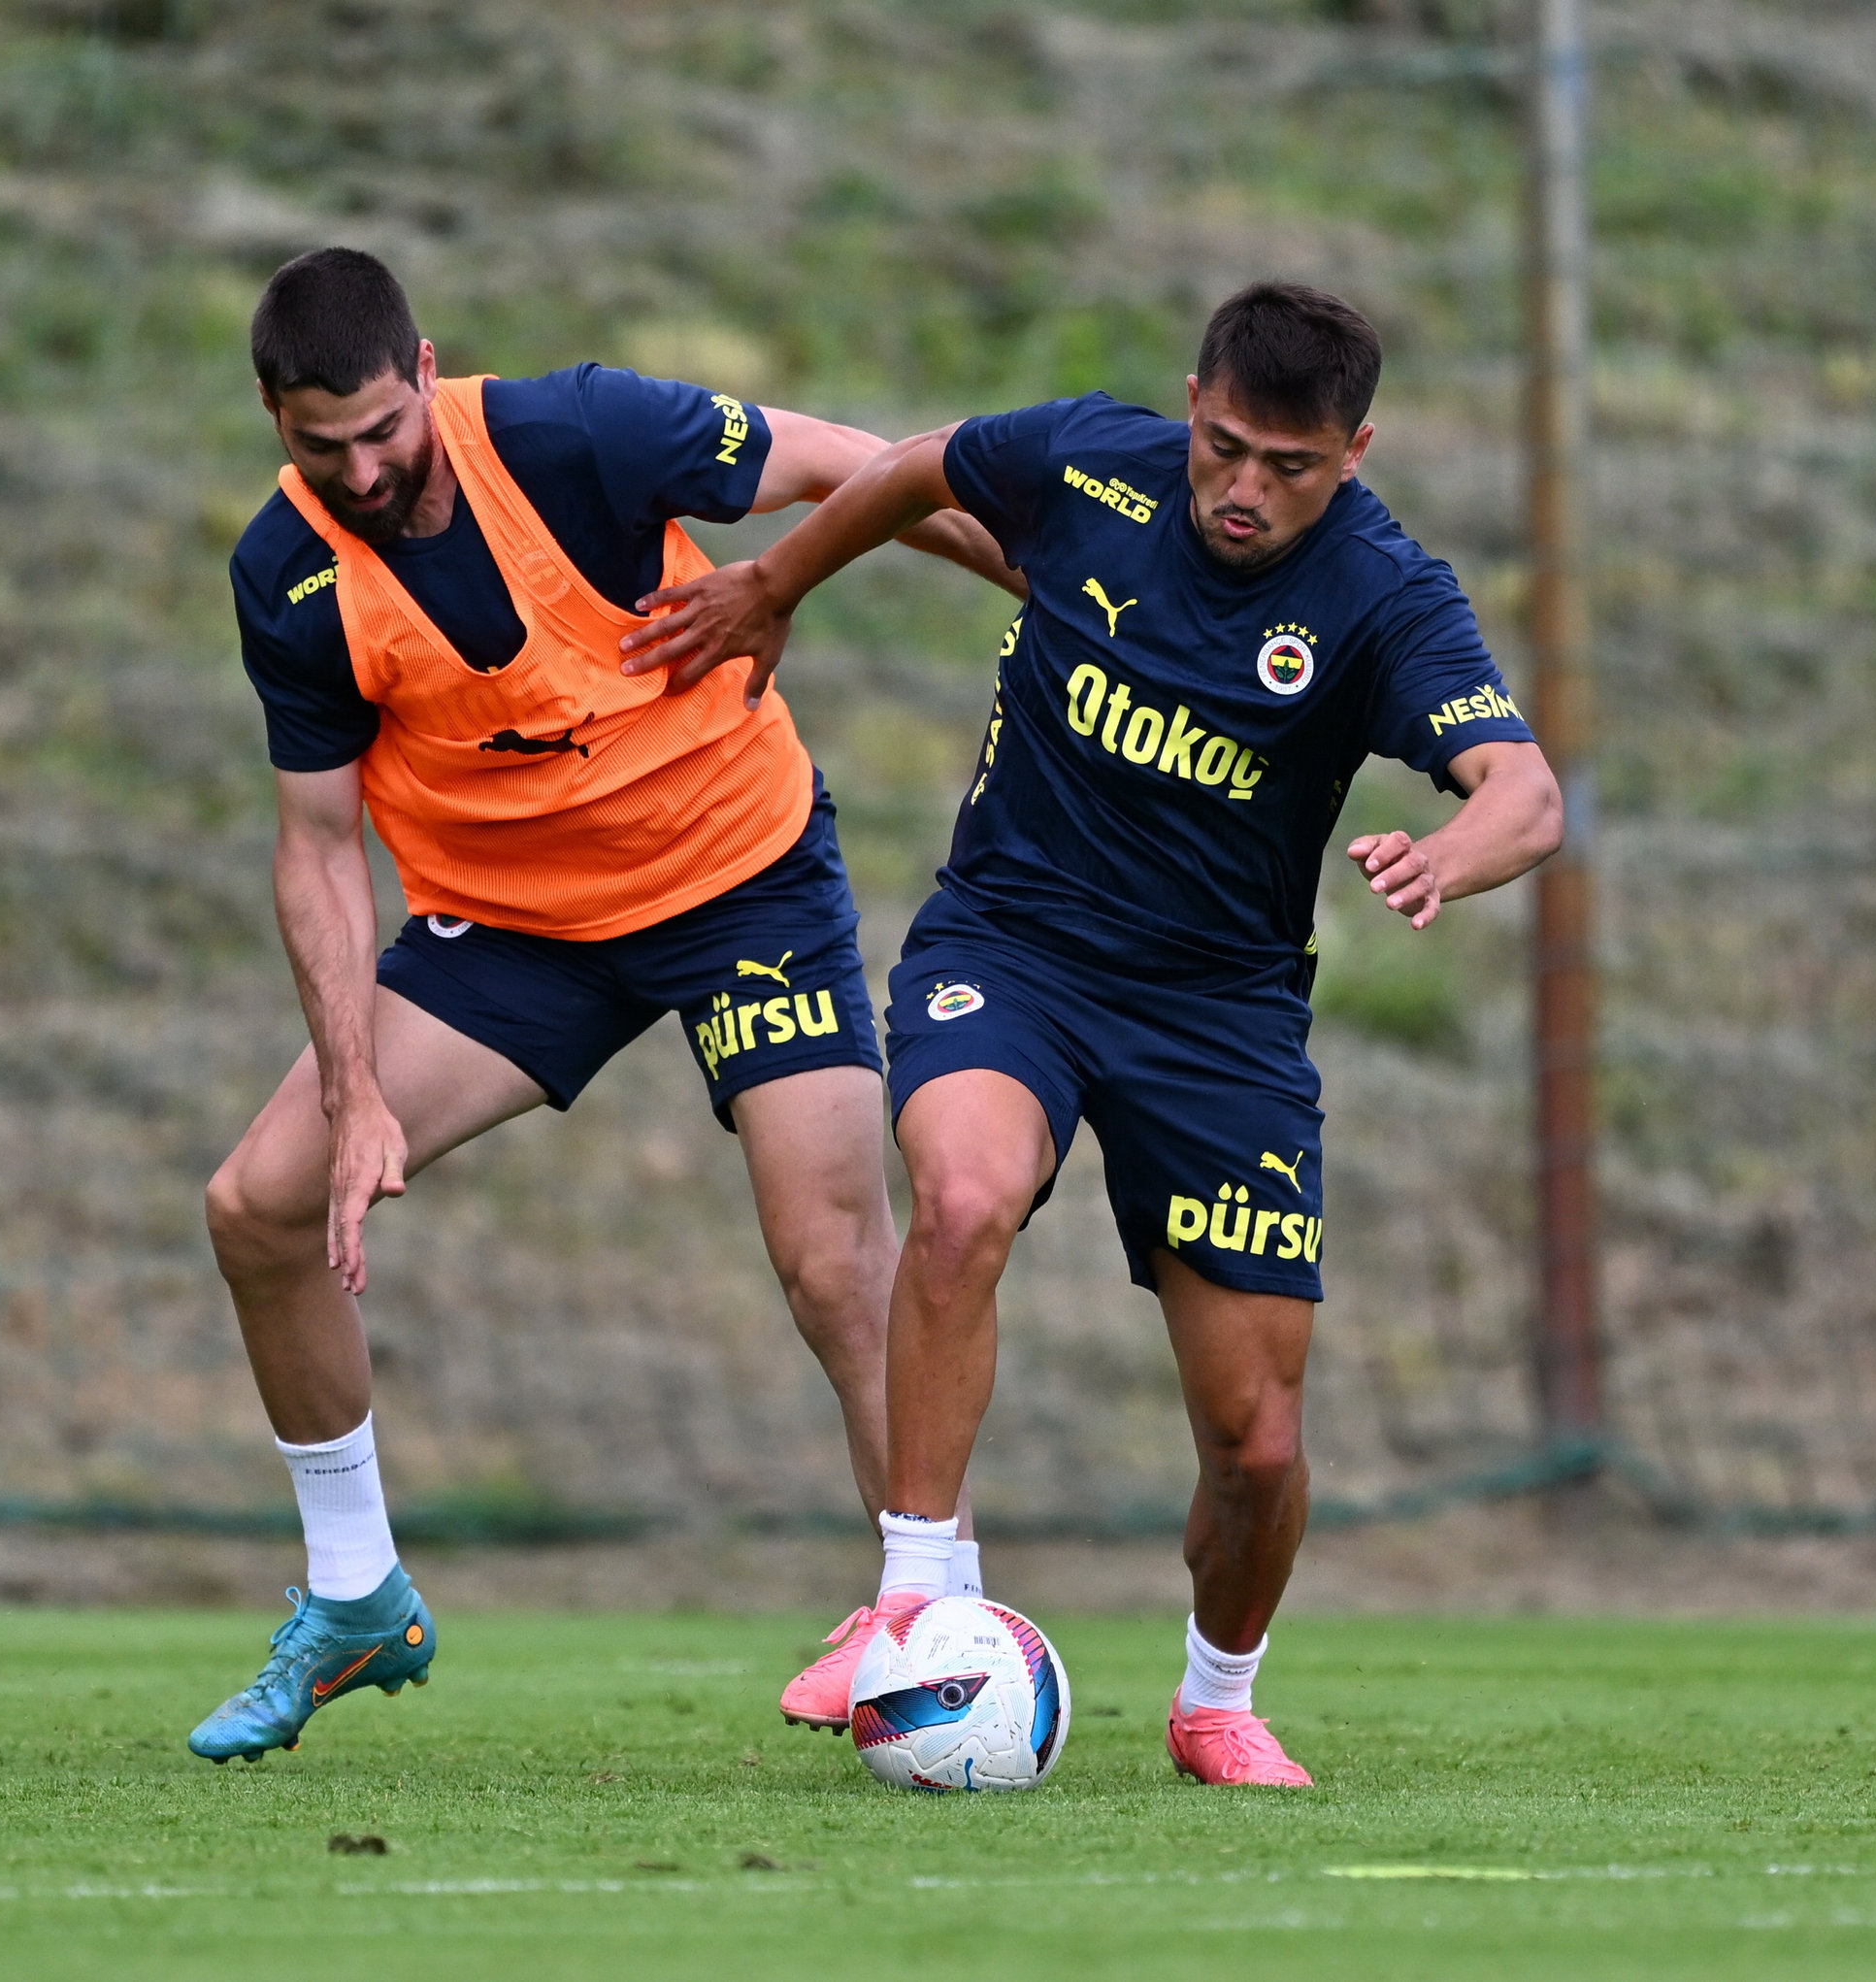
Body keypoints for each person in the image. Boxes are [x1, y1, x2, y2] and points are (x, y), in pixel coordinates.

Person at [620, 281, 1563, 1781]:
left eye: (1293, 466)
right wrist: (776, 582)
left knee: (1256, 1441)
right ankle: (916, 1601)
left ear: (1357, 452)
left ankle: (1217, 1698)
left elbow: (1526, 789)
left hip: (1219, 1019)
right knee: (970, 1195)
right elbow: (923, 465)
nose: (1246, 489)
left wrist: (1450, 854)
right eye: (1228, 447)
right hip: (1014, 946)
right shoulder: (1087, 464)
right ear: (1192, 403)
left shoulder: (1386, 598)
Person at [189, 248, 1020, 1764]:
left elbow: (869, 466)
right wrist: (353, 1084)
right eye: (325, 445)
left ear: (425, 369)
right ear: (273, 414)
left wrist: (1052, 579)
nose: (365, 468)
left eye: (386, 428)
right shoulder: (287, 574)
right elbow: (314, 844)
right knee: (260, 1205)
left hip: (737, 876)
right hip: (513, 931)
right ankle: (357, 1591)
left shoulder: (580, 433)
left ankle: (936, 1621)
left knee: (837, 1259)